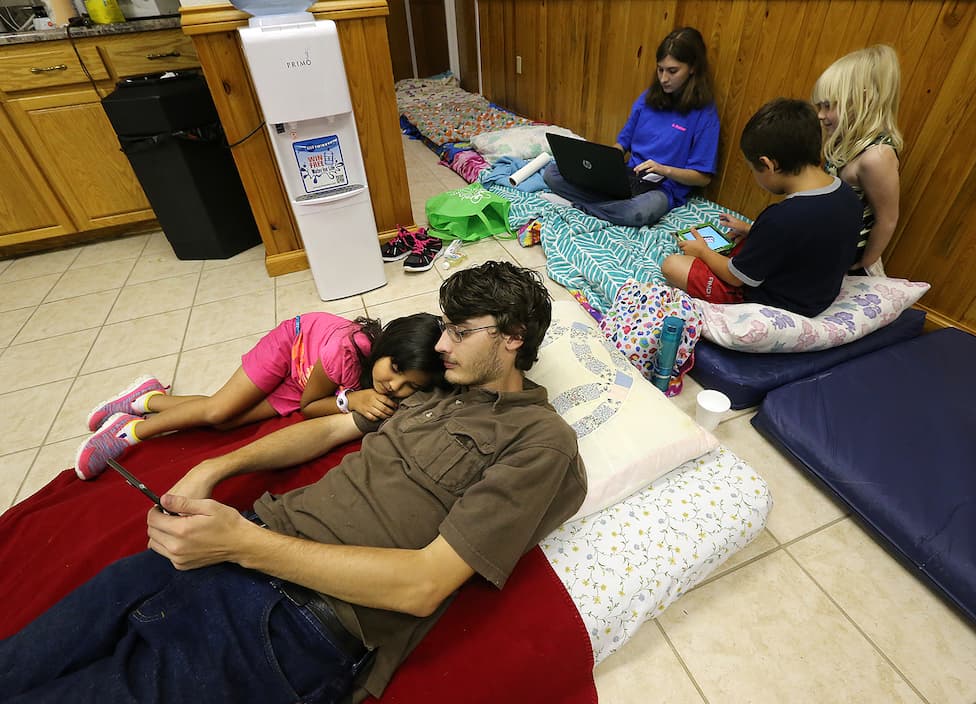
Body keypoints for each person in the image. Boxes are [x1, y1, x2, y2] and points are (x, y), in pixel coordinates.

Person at [1, 261, 587, 704]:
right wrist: (216, 467)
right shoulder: (436, 391)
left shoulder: (541, 442)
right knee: (24, 659)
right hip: (238, 543)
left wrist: (241, 545)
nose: (440, 344)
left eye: (460, 332)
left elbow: (424, 586)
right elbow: (327, 431)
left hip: (297, 622)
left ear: (513, 337)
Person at [75, 312, 446, 480]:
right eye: (395, 370)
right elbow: (309, 407)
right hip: (291, 348)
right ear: (384, 347)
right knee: (219, 409)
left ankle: (145, 400)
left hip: (304, 378)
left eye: (410, 385)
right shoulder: (345, 351)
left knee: (228, 421)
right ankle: (130, 431)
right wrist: (353, 401)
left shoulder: (392, 380)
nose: (395, 388)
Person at [661, 98, 862, 318]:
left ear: (768, 164)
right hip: (817, 292)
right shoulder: (847, 194)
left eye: (753, 170)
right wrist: (752, 230)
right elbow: (810, 238)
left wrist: (703, 252)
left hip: (775, 304)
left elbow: (736, 277)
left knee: (672, 265)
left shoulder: (781, 218)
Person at [542, 26, 720, 227]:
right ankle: (607, 206)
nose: (663, 78)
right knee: (552, 173)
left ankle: (582, 206)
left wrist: (665, 170)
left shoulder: (705, 114)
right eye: (660, 69)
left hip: (661, 189)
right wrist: (601, 165)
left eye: (672, 71)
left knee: (637, 212)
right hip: (628, 177)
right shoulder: (648, 98)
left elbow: (703, 178)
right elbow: (622, 145)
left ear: (693, 68)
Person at [812, 44, 904, 276]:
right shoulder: (841, 140)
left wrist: (864, 263)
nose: (820, 115)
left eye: (828, 105)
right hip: (828, 240)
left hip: (850, 257)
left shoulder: (877, 158)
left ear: (860, 100)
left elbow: (888, 220)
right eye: (819, 106)